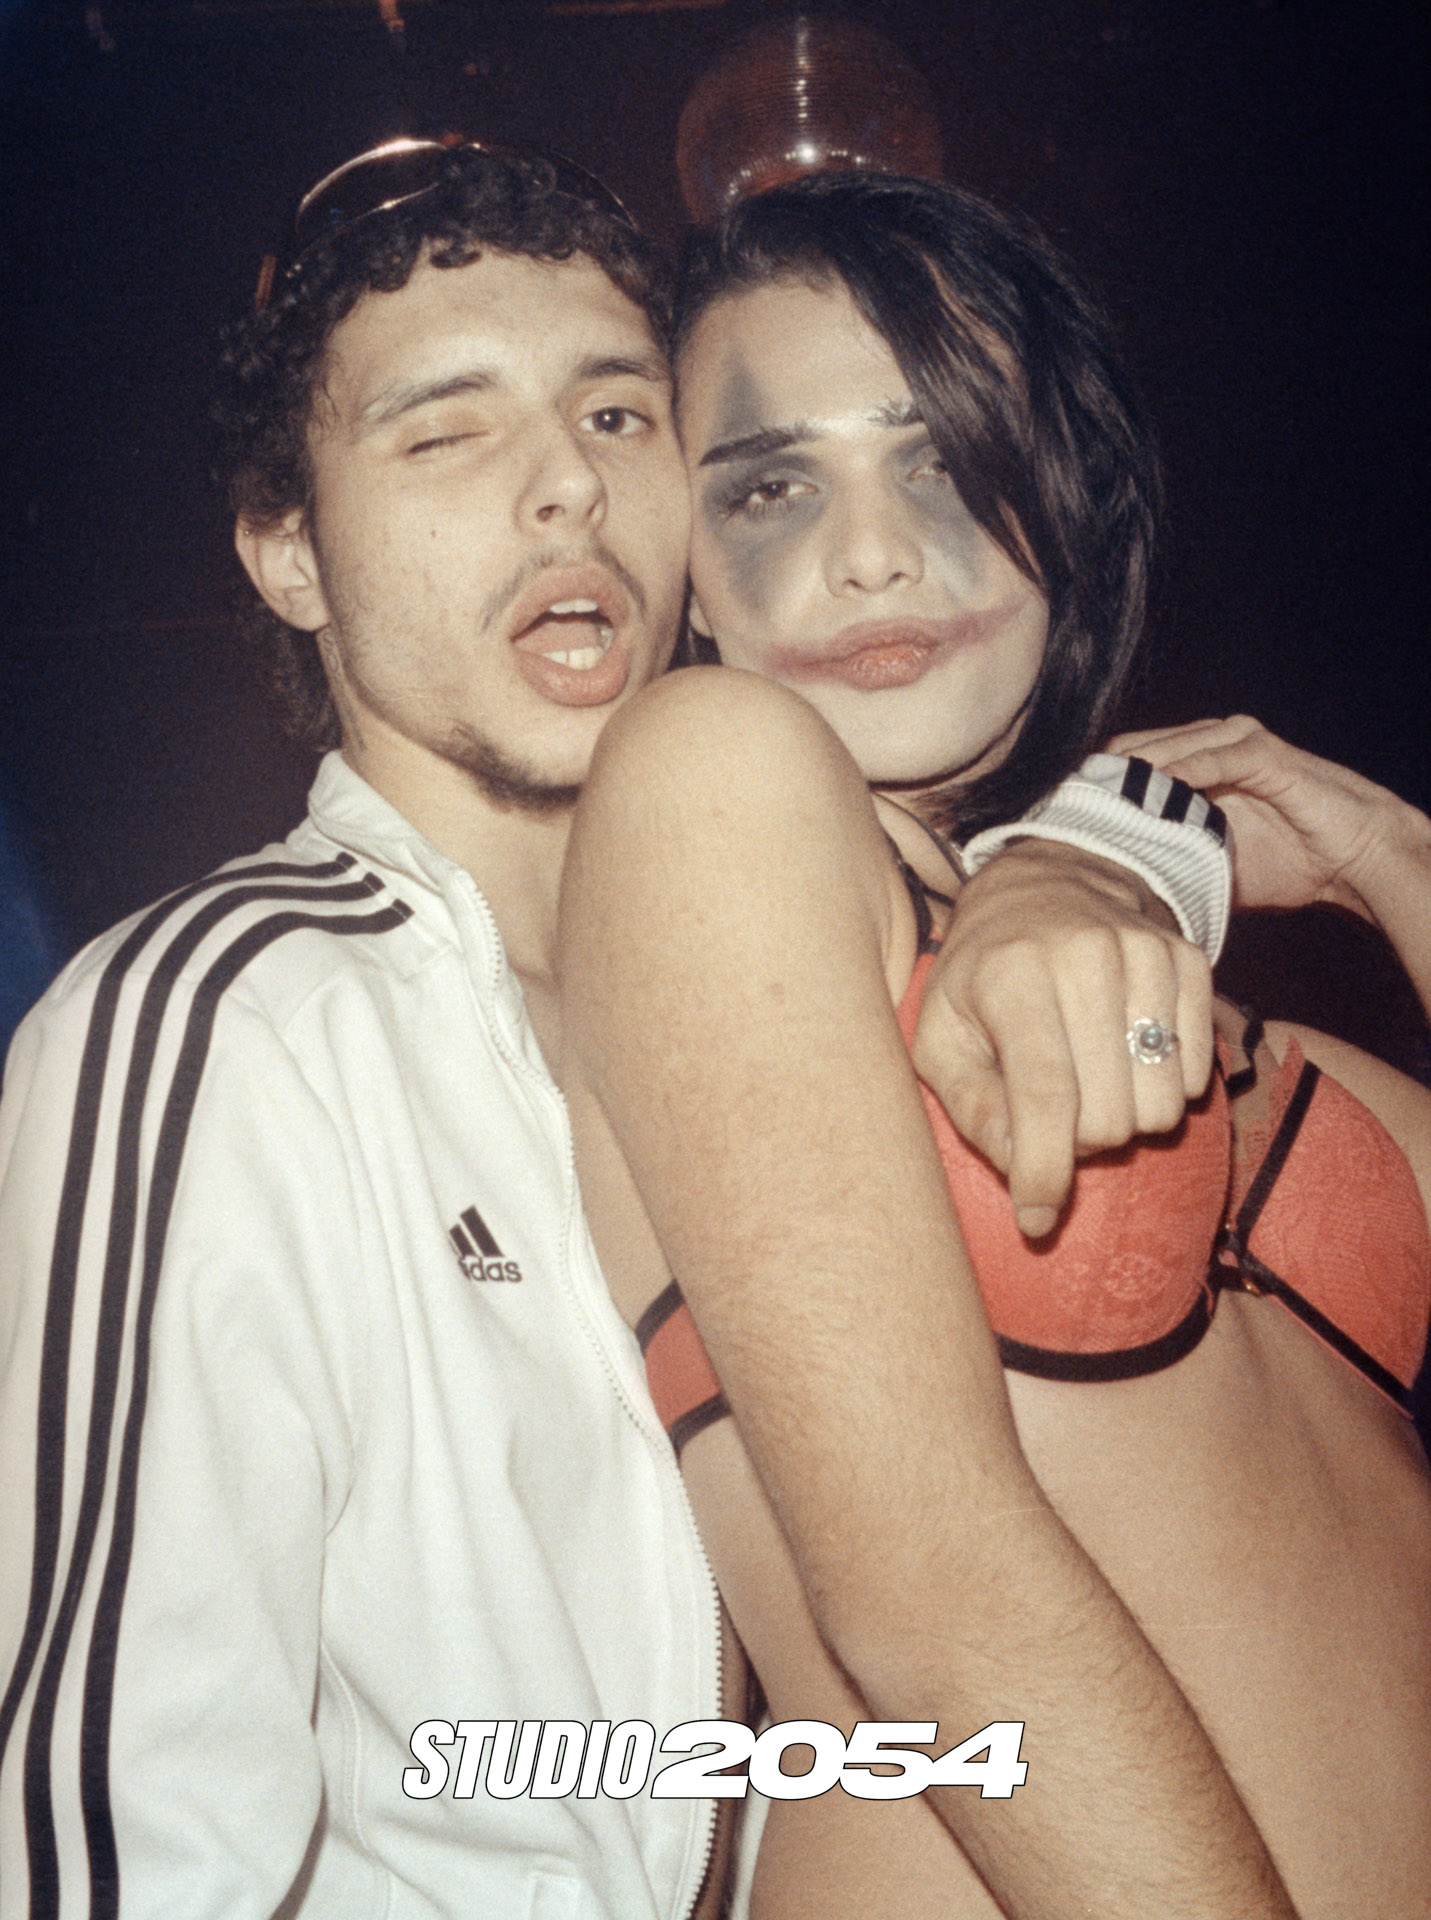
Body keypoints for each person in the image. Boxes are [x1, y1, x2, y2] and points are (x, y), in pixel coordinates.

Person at [0, 144, 1281, 1919]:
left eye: (617, 419)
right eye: (446, 436)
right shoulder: (226, 1020)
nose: (565, 492)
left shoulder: (768, 983)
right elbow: (113, 1834)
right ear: (288, 551)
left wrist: (1124, 841)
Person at [556, 172, 1431, 1919]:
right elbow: (922, 1590)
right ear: (691, 571)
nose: (875, 552)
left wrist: (1394, 866)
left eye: (945, 458)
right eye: (773, 483)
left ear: (1065, 502)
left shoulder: (1171, 964)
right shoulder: (706, 778)